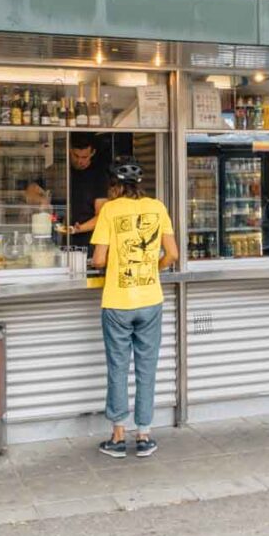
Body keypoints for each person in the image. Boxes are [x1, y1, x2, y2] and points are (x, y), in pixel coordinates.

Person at [90, 158, 179, 458]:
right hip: (150, 300)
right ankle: (144, 435)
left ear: (114, 186)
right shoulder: (158, 207)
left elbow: (99, 260)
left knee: (118, 367)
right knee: (146, 367)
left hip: (118, 301)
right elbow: (173, 254)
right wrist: (151, 268)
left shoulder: (110, 211)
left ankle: (117, 436)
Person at [68, 133, 108, 246]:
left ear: (92, 153)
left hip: (87, 239)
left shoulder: (99, 176)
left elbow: (101, 215)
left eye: (84, 157)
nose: (79, 161)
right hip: (61, 236)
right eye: (76, 156)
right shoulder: (63, 169)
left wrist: (77, 229)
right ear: (70, 151)